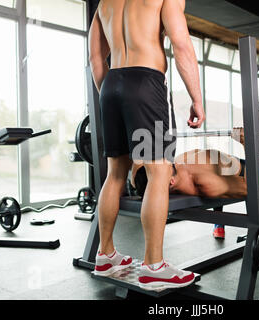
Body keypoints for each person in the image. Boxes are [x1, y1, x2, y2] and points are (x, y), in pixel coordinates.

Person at [89, 0, 205, 291]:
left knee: (115, 173)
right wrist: (197, 99)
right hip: (145, 81)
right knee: (160, 171)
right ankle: (154, 266)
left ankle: (105, 255)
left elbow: (94, 57)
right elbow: (181, 45)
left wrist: (112, 94)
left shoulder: (105, 3)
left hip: (111, 84)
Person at [131, 128, 259, 250]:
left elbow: (138, 167)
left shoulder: (171, 170)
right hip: (243, 170)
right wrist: (245, 143)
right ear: (170, 183)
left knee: (216, 179)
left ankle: (218, 226)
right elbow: (249, 185)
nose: (162, 162)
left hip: (223, 170)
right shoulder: (206, 183)